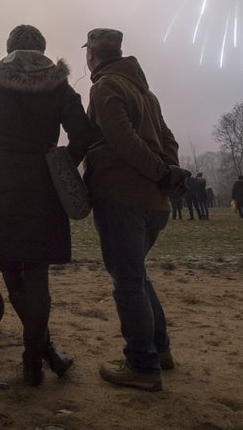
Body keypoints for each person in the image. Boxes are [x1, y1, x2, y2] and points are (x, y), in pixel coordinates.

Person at [0, 24, 92, 387]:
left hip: (2, 180)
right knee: (38, 275)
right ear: (43, 49)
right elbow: (84, 133)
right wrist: (61, 162)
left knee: (11, 267)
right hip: (42, 184)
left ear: (8, 47)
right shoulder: (59, 84)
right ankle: (38, 357)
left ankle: (39, 357)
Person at [82, 28, 184, 392]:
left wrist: (160, 173)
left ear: (91, 54)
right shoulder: (147, 93)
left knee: (128, 282)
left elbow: (121, 139)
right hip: (155, 203)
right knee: (137, 276)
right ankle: (160, 351)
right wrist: (167, 173)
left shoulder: (105, 87)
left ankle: (142, 365)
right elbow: (168, 139)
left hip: (122, 198)